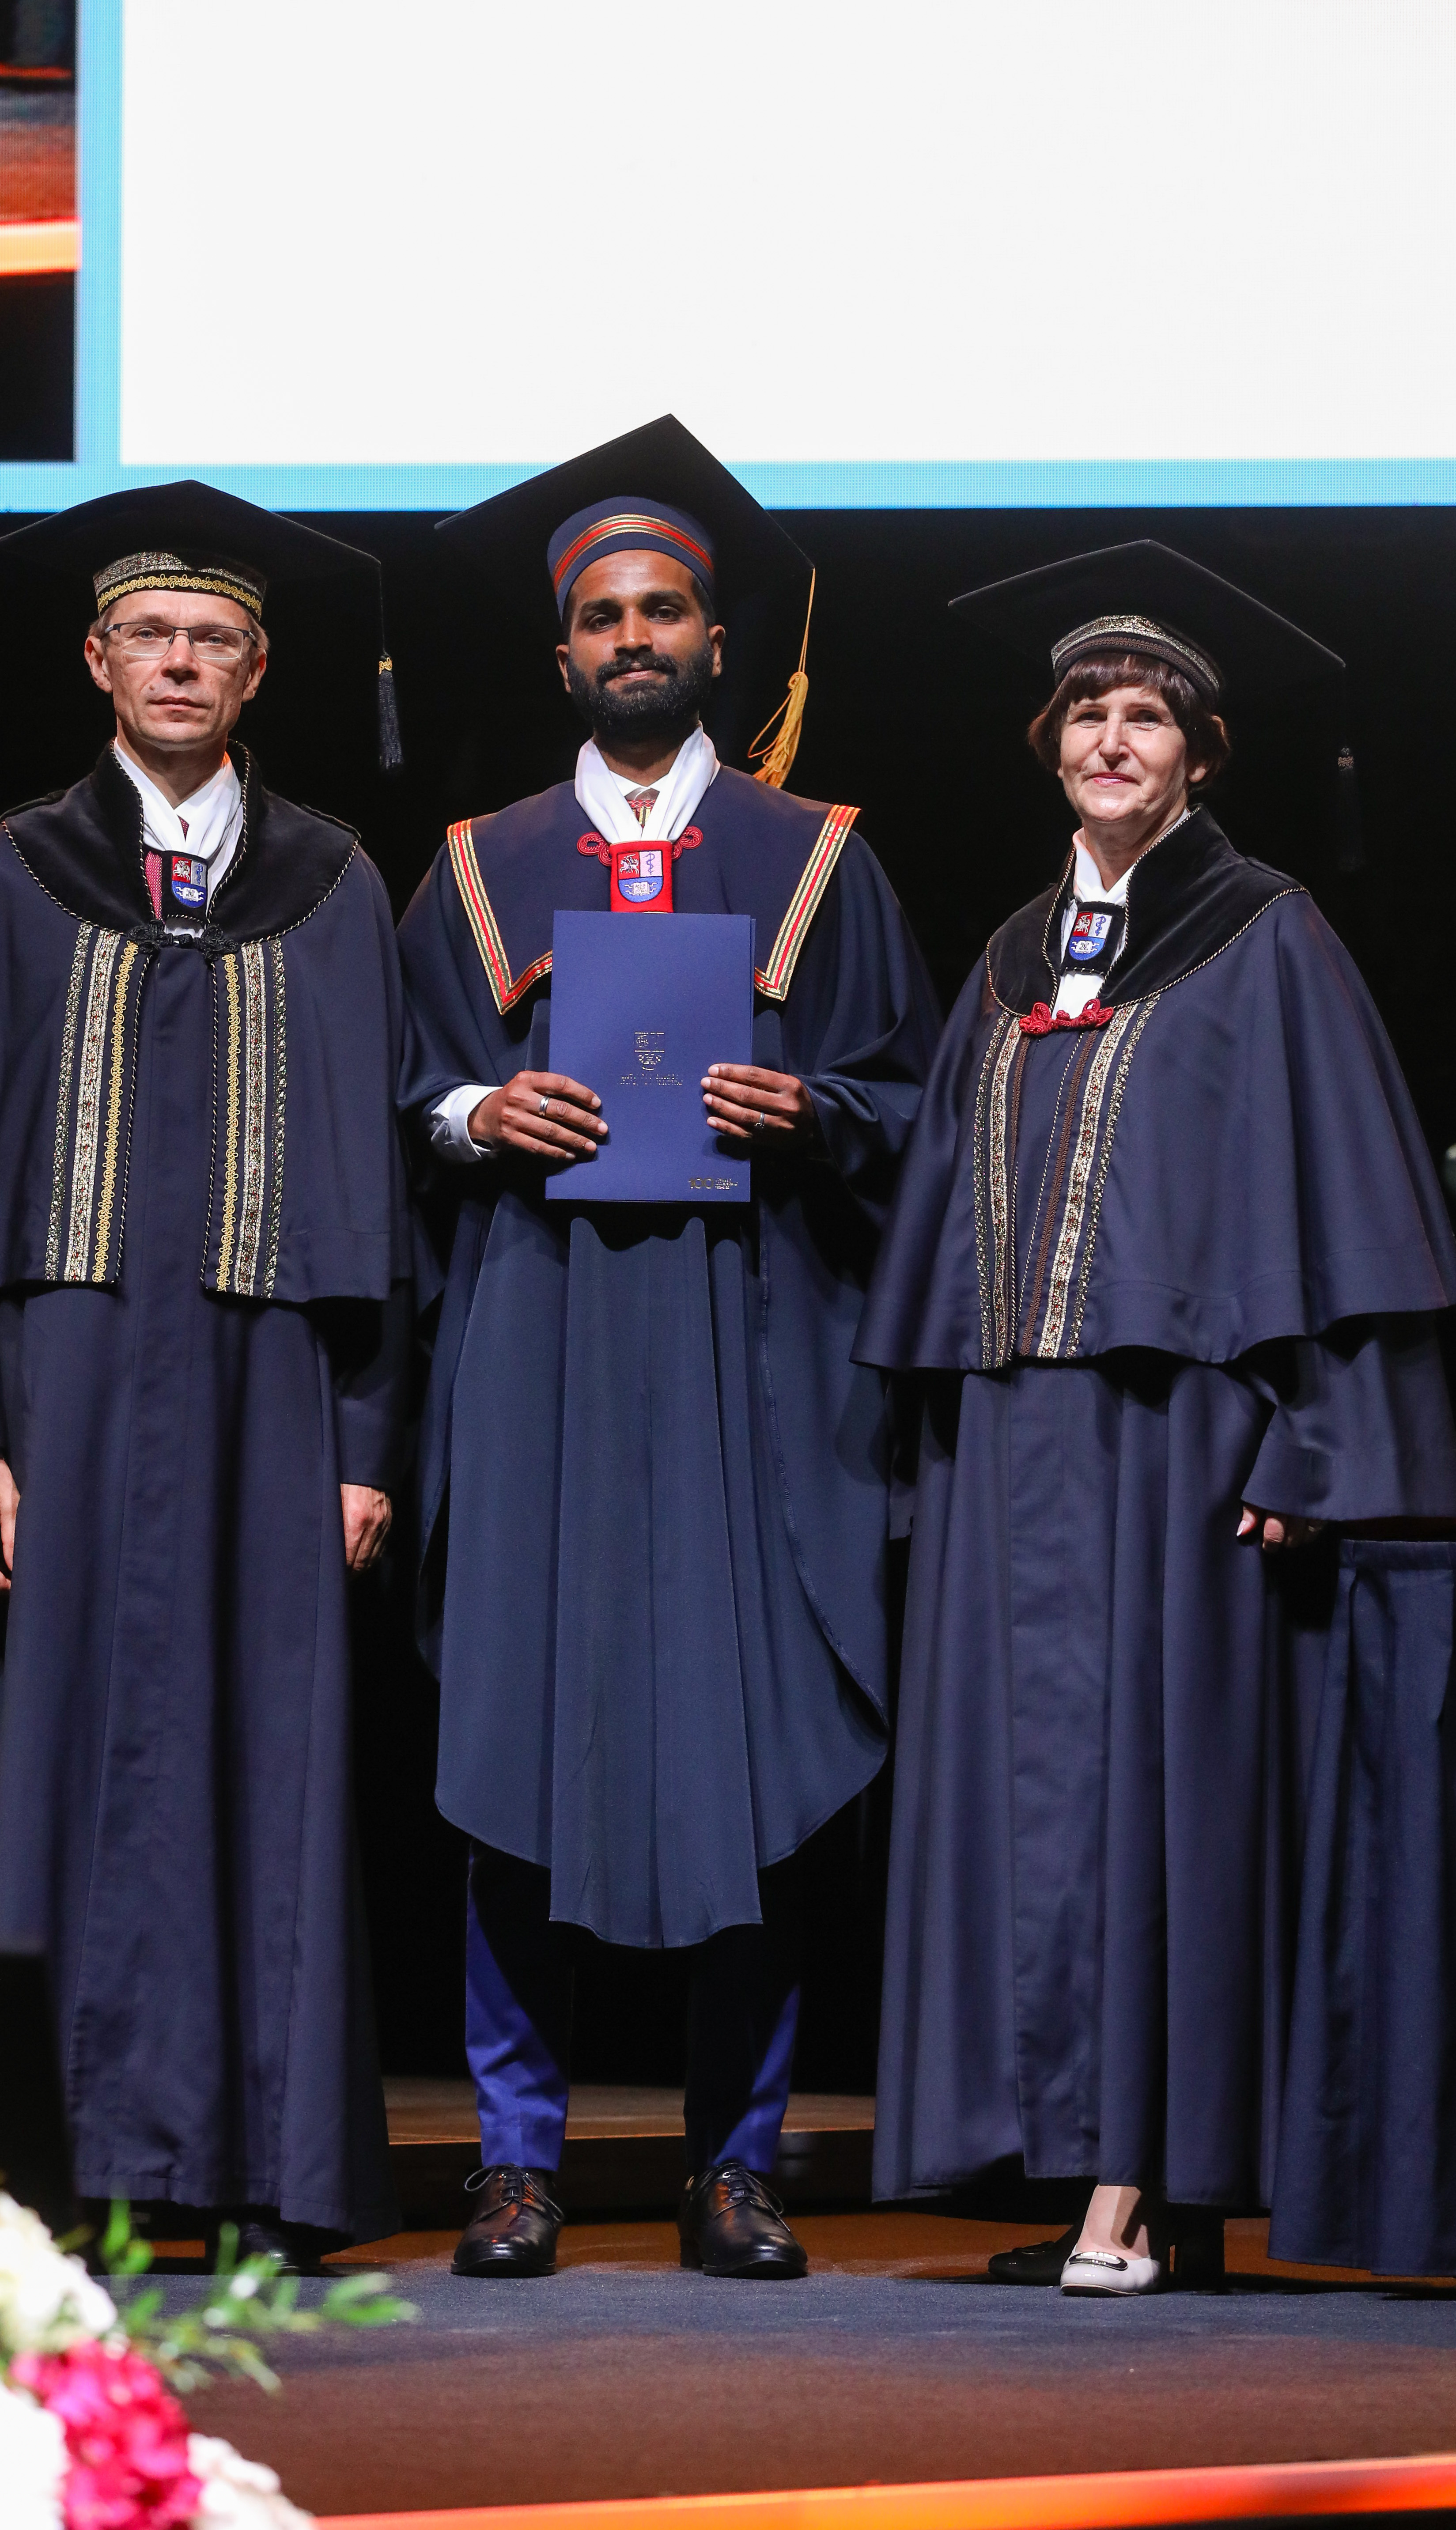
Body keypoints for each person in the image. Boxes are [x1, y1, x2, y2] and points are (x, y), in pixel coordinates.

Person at [854, 542, 1456, 2295]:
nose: (1111, 741)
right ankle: (1072, 2163)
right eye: (1085, 714)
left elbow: (1335, 1204)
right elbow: (940, 1218)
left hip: (1177, 1447)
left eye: (1144, 716)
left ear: (1199, 749)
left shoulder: (1263, 933)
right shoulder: (1007, 953)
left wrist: (1313, 1439)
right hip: (1012, 1446)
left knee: (1157, 1795)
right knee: (1028, 1808)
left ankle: (1138, 2185)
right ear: (1046, 744)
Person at [0, 481, 411, 2267]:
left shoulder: (332, 888)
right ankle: (44, 2162)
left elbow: (379, 1204)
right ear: (98, 659)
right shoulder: (9, 878)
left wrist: (365, 1441)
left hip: (270, 1393)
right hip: (58, 1394)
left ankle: (256, 2168)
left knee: (266, 1757)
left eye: (213, 639)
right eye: (150, 634)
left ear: (255, 673)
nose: (179, 662)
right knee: (55, 1759)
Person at [397, 418, 939, 2279]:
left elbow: (912, 1103)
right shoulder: (475, 867)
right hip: (536, 1346)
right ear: (561, 652)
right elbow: (396, 1095)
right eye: (602, 616)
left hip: (750, 1352)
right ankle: (514, 2160)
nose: (634, 637)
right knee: (512, 1737)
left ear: (718, 638)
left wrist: (812, 1111)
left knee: (756, 1747)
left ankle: (736, 2160)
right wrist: (479, 1112)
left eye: (664, 610)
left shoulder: (816, 859)